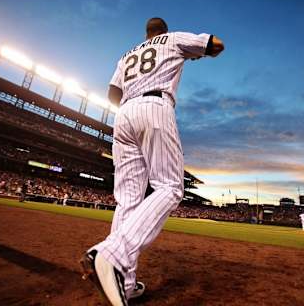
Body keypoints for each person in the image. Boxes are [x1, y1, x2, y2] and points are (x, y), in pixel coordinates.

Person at [79, 17, 224, 306]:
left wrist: (131, 106)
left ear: (146, 33)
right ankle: (111, 254)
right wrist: (193, 53)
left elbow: (112, 93)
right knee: (170, 187)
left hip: (124, 114)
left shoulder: (127, 54)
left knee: (128, 200)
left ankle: (125, 283)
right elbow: (216, 44)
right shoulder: (172, 40)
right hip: (155, 106)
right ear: (164, 31)